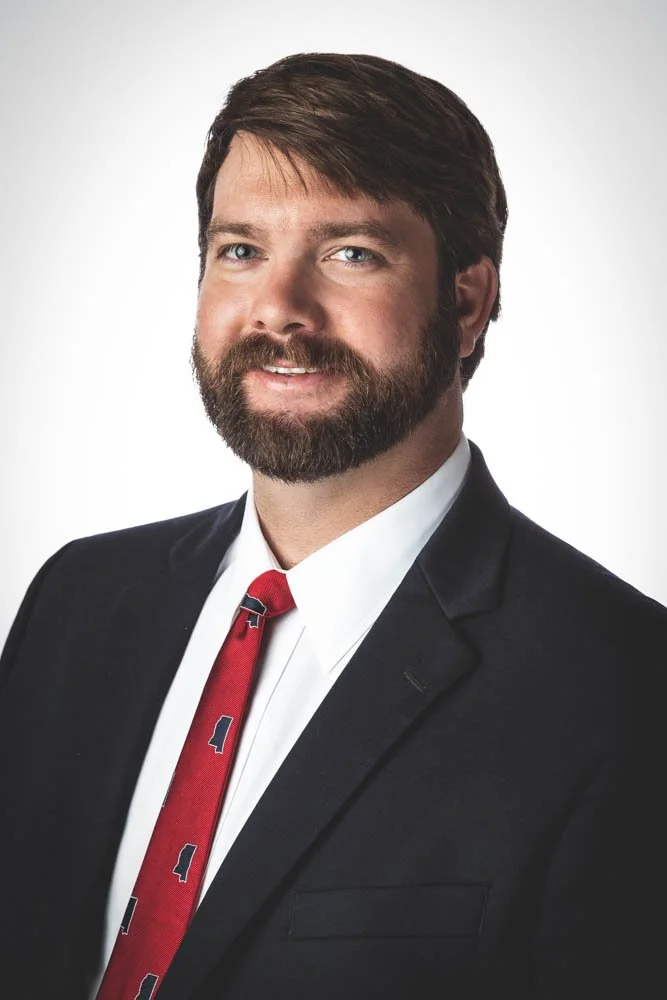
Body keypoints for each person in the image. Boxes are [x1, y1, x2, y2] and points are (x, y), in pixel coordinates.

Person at [0, 52, 664, 1000]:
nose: (279, 309)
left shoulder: (624, 685)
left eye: (350, 253)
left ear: (467, 302)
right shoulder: (79, 602)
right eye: (239, 251)